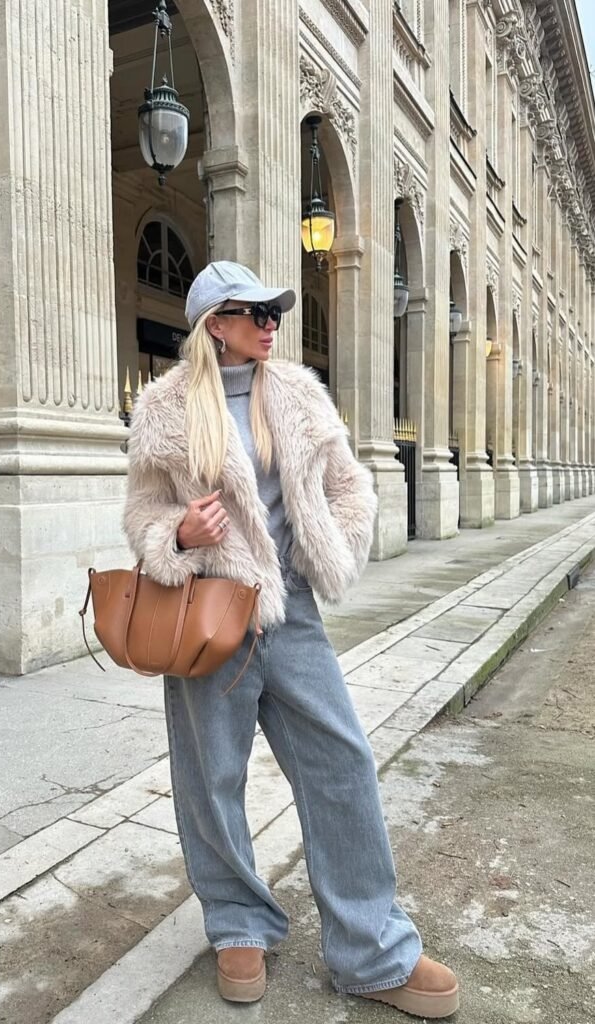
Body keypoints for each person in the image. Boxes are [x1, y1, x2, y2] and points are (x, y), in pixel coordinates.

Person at [124, 260, 459, 1019]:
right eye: (255, 313)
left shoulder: (300, 394)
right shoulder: (166, 408)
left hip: (294, 616)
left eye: (276, 311)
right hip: (211, 618)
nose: (272, 323)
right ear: (216, 323)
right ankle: (237, 922)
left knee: (343, 762)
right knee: (211, 779)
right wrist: (176, 532)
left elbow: (348, 485)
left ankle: (372, 949)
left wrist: (331, 546)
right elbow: (141, 513)